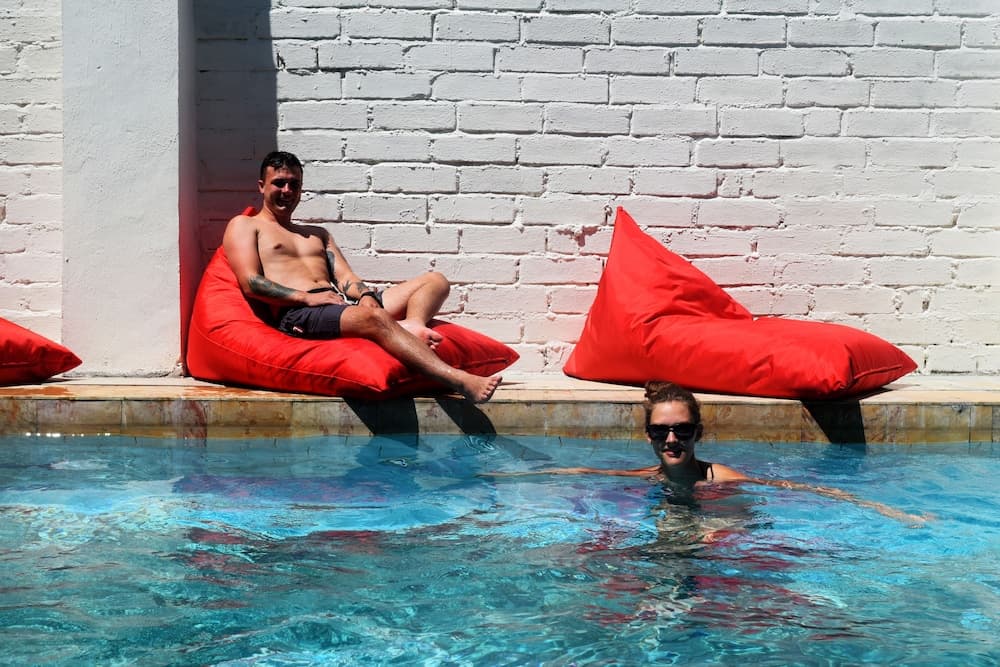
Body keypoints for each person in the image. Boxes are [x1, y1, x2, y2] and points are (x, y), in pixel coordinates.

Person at [222, 151, 502, 403]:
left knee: (435, 281)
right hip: (300, 313)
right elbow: (251, 282)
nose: (287, 191)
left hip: (339, 305)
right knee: (375, 318)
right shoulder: (246, 225)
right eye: (279, 183)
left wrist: (366, 295)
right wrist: (306, 298)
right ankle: (458, 380)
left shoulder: (317, 234)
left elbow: (345, 276)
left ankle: (411, 325)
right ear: (262, 186)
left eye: (294, 184)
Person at [492, 381, 930, 525]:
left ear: (697, 433)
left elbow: (802, 489)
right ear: (648, 436)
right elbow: (583, 471)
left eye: (682, 430)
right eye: (661, 431)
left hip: (722, 529)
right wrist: (504, 480)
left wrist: (890, 511)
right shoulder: (647, 476)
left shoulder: (721, 478)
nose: (672, 440)